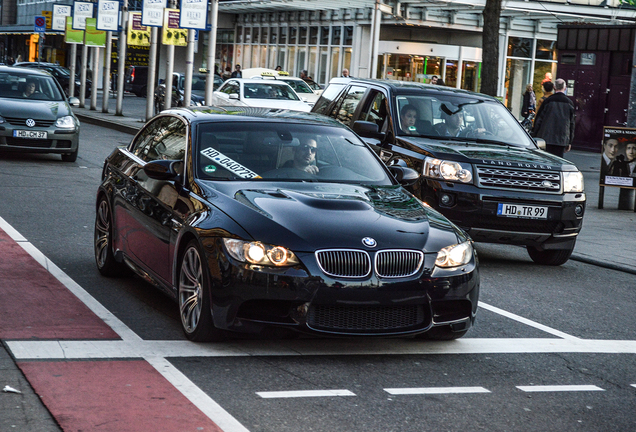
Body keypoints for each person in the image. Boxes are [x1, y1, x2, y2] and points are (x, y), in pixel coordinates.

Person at [531, 78, 575, 158]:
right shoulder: (569, 103)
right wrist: (569, 141)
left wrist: (535, 134)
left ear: (554, 88)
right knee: (558, 161)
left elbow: (539, 119)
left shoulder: (548, 101)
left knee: (546, 160)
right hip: (562, 138)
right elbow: (571, 123)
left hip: (547, 137)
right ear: (565, 88)